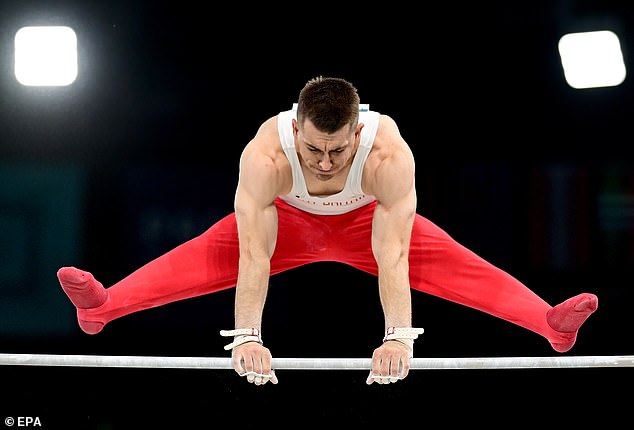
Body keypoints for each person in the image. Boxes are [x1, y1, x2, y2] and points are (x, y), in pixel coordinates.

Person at [57, 76, 598, 386]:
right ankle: (100, 309)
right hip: (285, 225)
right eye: (313, 147)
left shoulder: (388, 155)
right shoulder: (265, 156)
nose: (323, 161)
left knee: (458, 266)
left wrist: (396, 339)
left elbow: (394, 259)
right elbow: (252, 257)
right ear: (296, 127)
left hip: (367, 225)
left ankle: (550, 325)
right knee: (199, 259)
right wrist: (248, 336)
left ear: (358, 130)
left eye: (338, 149)